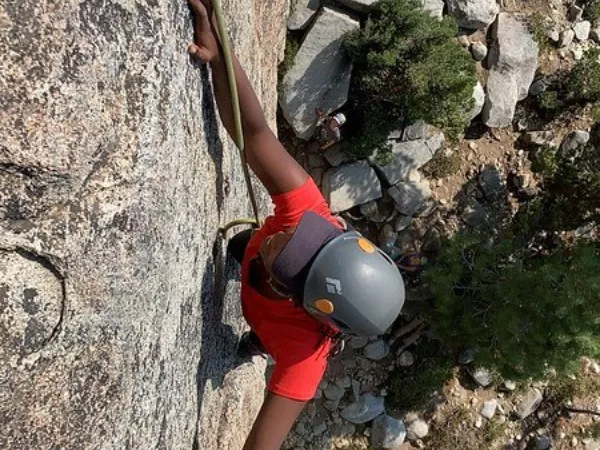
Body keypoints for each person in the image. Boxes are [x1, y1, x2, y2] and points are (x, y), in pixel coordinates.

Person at [187, 1, 406, 449]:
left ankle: (254, 344)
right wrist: (221, 57)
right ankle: (247, 272)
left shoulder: (303, 358)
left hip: (276, 328)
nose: (289, 233)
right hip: (262, 274)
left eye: (290, 252)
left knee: (264, 337)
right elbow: (256, 133)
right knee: (244, 245)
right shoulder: (309, 217)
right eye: (312, 238)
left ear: (292, 292)